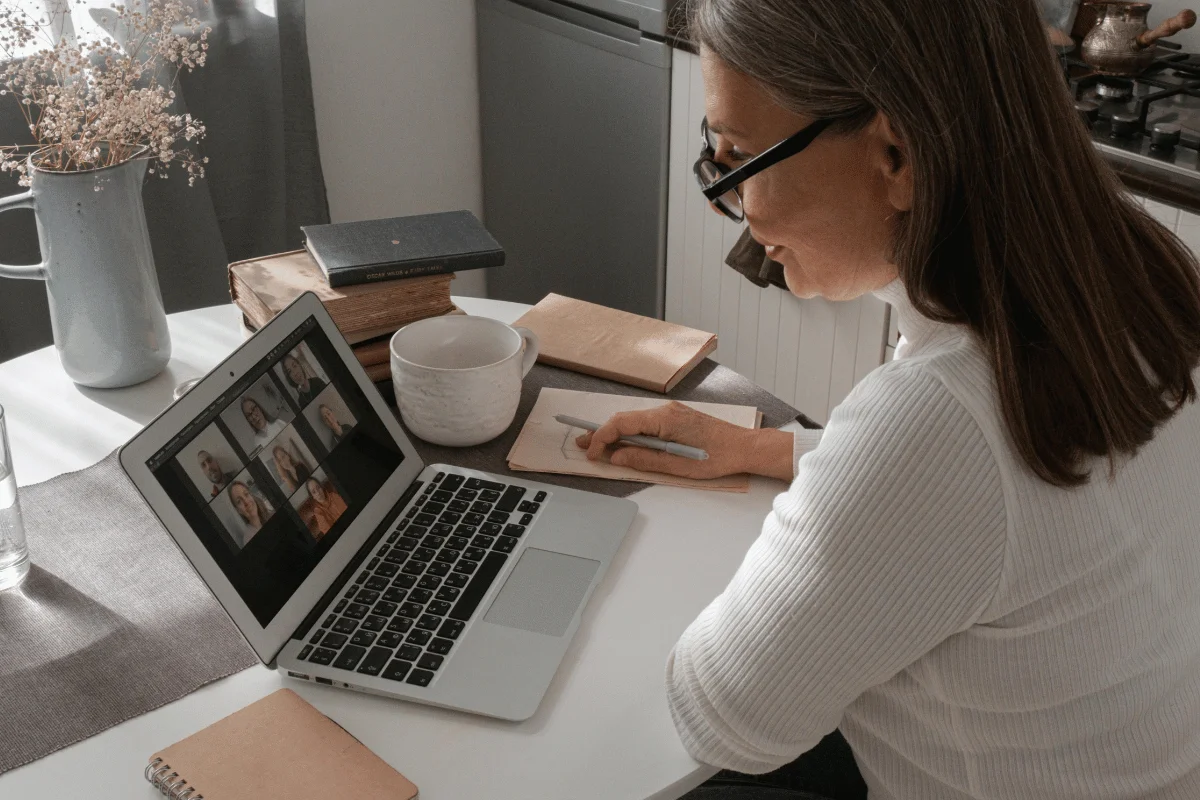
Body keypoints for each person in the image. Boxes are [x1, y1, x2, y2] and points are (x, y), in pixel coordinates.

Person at [576, 2, 1200, 798]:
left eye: (738, 156)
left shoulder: (934, 426)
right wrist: (778, 451)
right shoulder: (1135, 269)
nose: (724, 201)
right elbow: (1020, 509)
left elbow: (721, 716)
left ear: (897, 154)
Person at [227, 480, 273, 546]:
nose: (246, 502)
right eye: (239, 501)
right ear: (238, 510)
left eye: (246, 494)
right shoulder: (248, 539)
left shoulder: (270, 513)